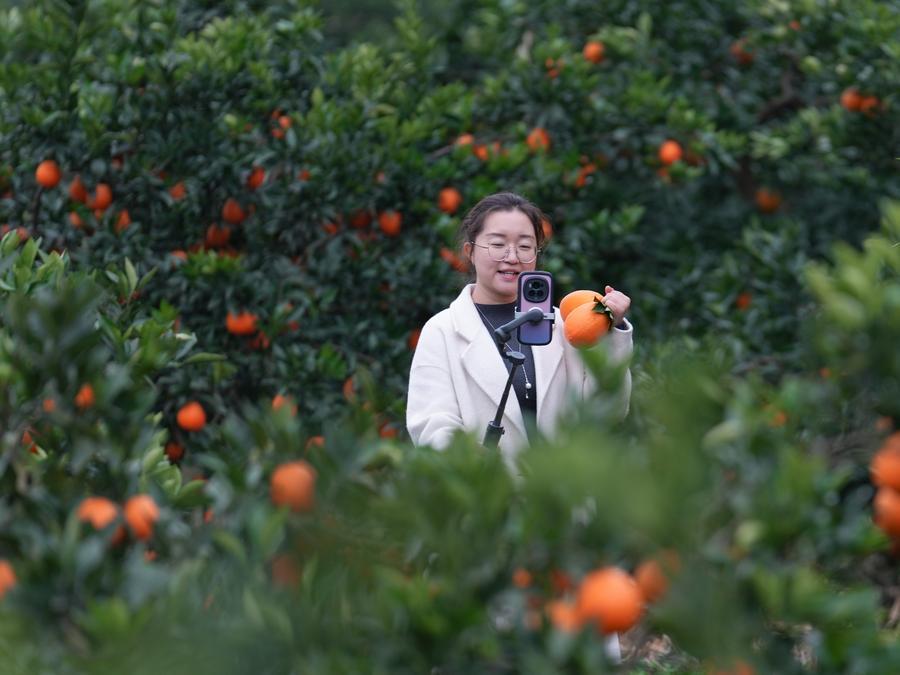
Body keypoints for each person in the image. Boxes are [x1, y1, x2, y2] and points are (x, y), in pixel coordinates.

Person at [406, 191, 633, 465]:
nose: (512, 256)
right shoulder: (443, 331)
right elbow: (431, 423)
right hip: (487, 488)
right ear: (470, 252)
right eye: (498, 244)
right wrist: (469, 459)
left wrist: (613, 330)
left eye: (525, 246)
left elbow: (609, 412)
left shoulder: (566, 326)